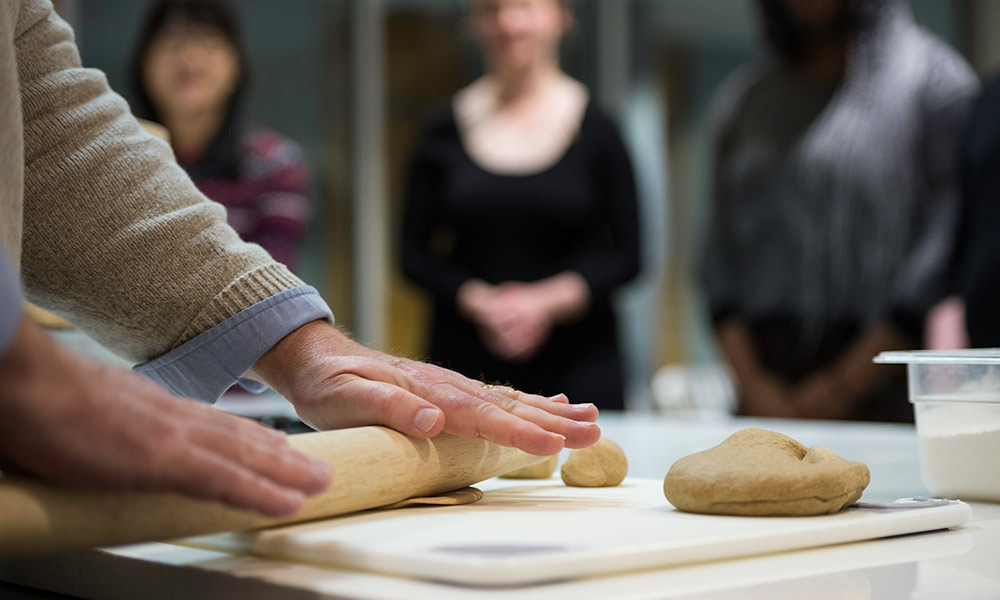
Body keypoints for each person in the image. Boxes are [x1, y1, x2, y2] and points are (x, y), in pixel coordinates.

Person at [0, 0, 600, 518]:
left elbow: (44, 126)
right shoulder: (444, 132)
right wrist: (20, 368)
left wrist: (299, 346)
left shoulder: (270, 161)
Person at [701, 0, 977, 421]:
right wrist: (754, 387)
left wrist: (841, 386)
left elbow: (944, 244)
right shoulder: (746, 101)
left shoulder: (934, 84)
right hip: (765, 390)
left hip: (883, 385)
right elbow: (717, 260)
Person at [400, 0, 641, 411]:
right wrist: (485, 303)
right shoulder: (441, 129)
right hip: (465, 367)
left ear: (561, 17)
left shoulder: (599, 129)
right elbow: (412, 256)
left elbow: (629, 255)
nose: (508, 22)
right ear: (474, 24)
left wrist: (541, 303)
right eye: (491, 9)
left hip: (580, 365)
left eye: (525, 6)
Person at [130, 0, 309, 271]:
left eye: (208, 40)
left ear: (237, 64)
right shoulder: (119, 161)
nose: (190, 59)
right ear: (144, 62)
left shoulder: (275, 163)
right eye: (172, 41)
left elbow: (274, 281)